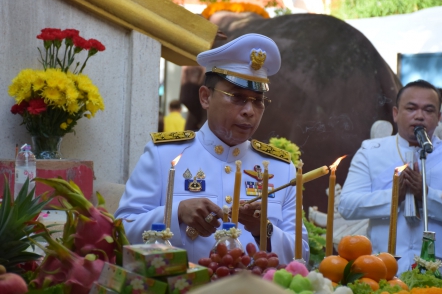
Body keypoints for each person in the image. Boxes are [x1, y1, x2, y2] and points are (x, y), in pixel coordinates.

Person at [115, 33, 310, 265]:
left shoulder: (281, 170)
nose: (250, 110)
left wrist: (264, 231)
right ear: (206, 97)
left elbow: (302, 257)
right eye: (237, 97)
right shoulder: (163, 156)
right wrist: (176, 213)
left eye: (258, 100)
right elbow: (122, 232)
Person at [338, 80, 442, 276]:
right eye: (411, 108)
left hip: (438, 275)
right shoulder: (371, 151)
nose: (420, 116)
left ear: (439, 117)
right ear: (396, 113)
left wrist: (426, 194)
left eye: (428, 110)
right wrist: (396, 195)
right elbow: (347, 205)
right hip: (381, 271)